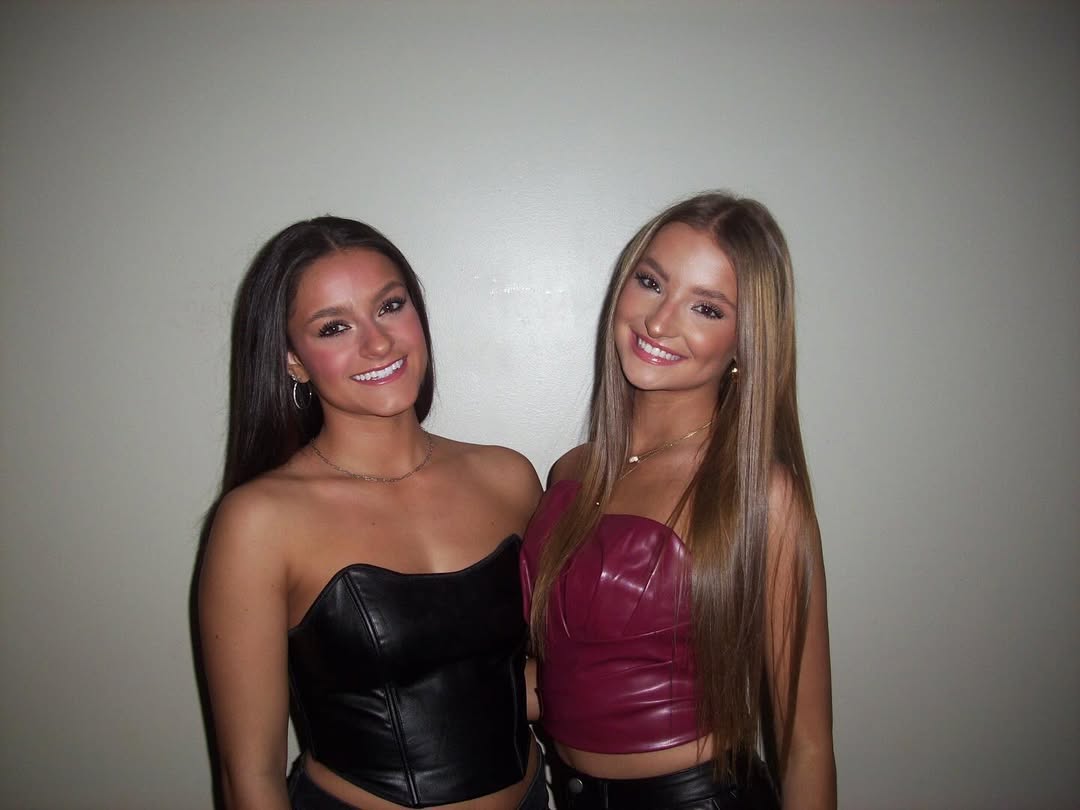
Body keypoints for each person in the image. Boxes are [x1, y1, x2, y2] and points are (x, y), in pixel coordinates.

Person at [199, 216, 547, 810]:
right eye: (334, 327)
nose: (379, 343)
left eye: (390, 306)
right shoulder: (258, 522)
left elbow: (516, 681)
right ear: (293, 360)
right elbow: (248, 777)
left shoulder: (509, 476)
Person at [521, 192, 836, 809]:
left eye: (706, 308)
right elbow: (571, 675)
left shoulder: (760, 495)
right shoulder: (570, 472)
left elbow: (807, 746)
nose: (660, 322)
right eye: (651, 282)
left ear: (745, 342)